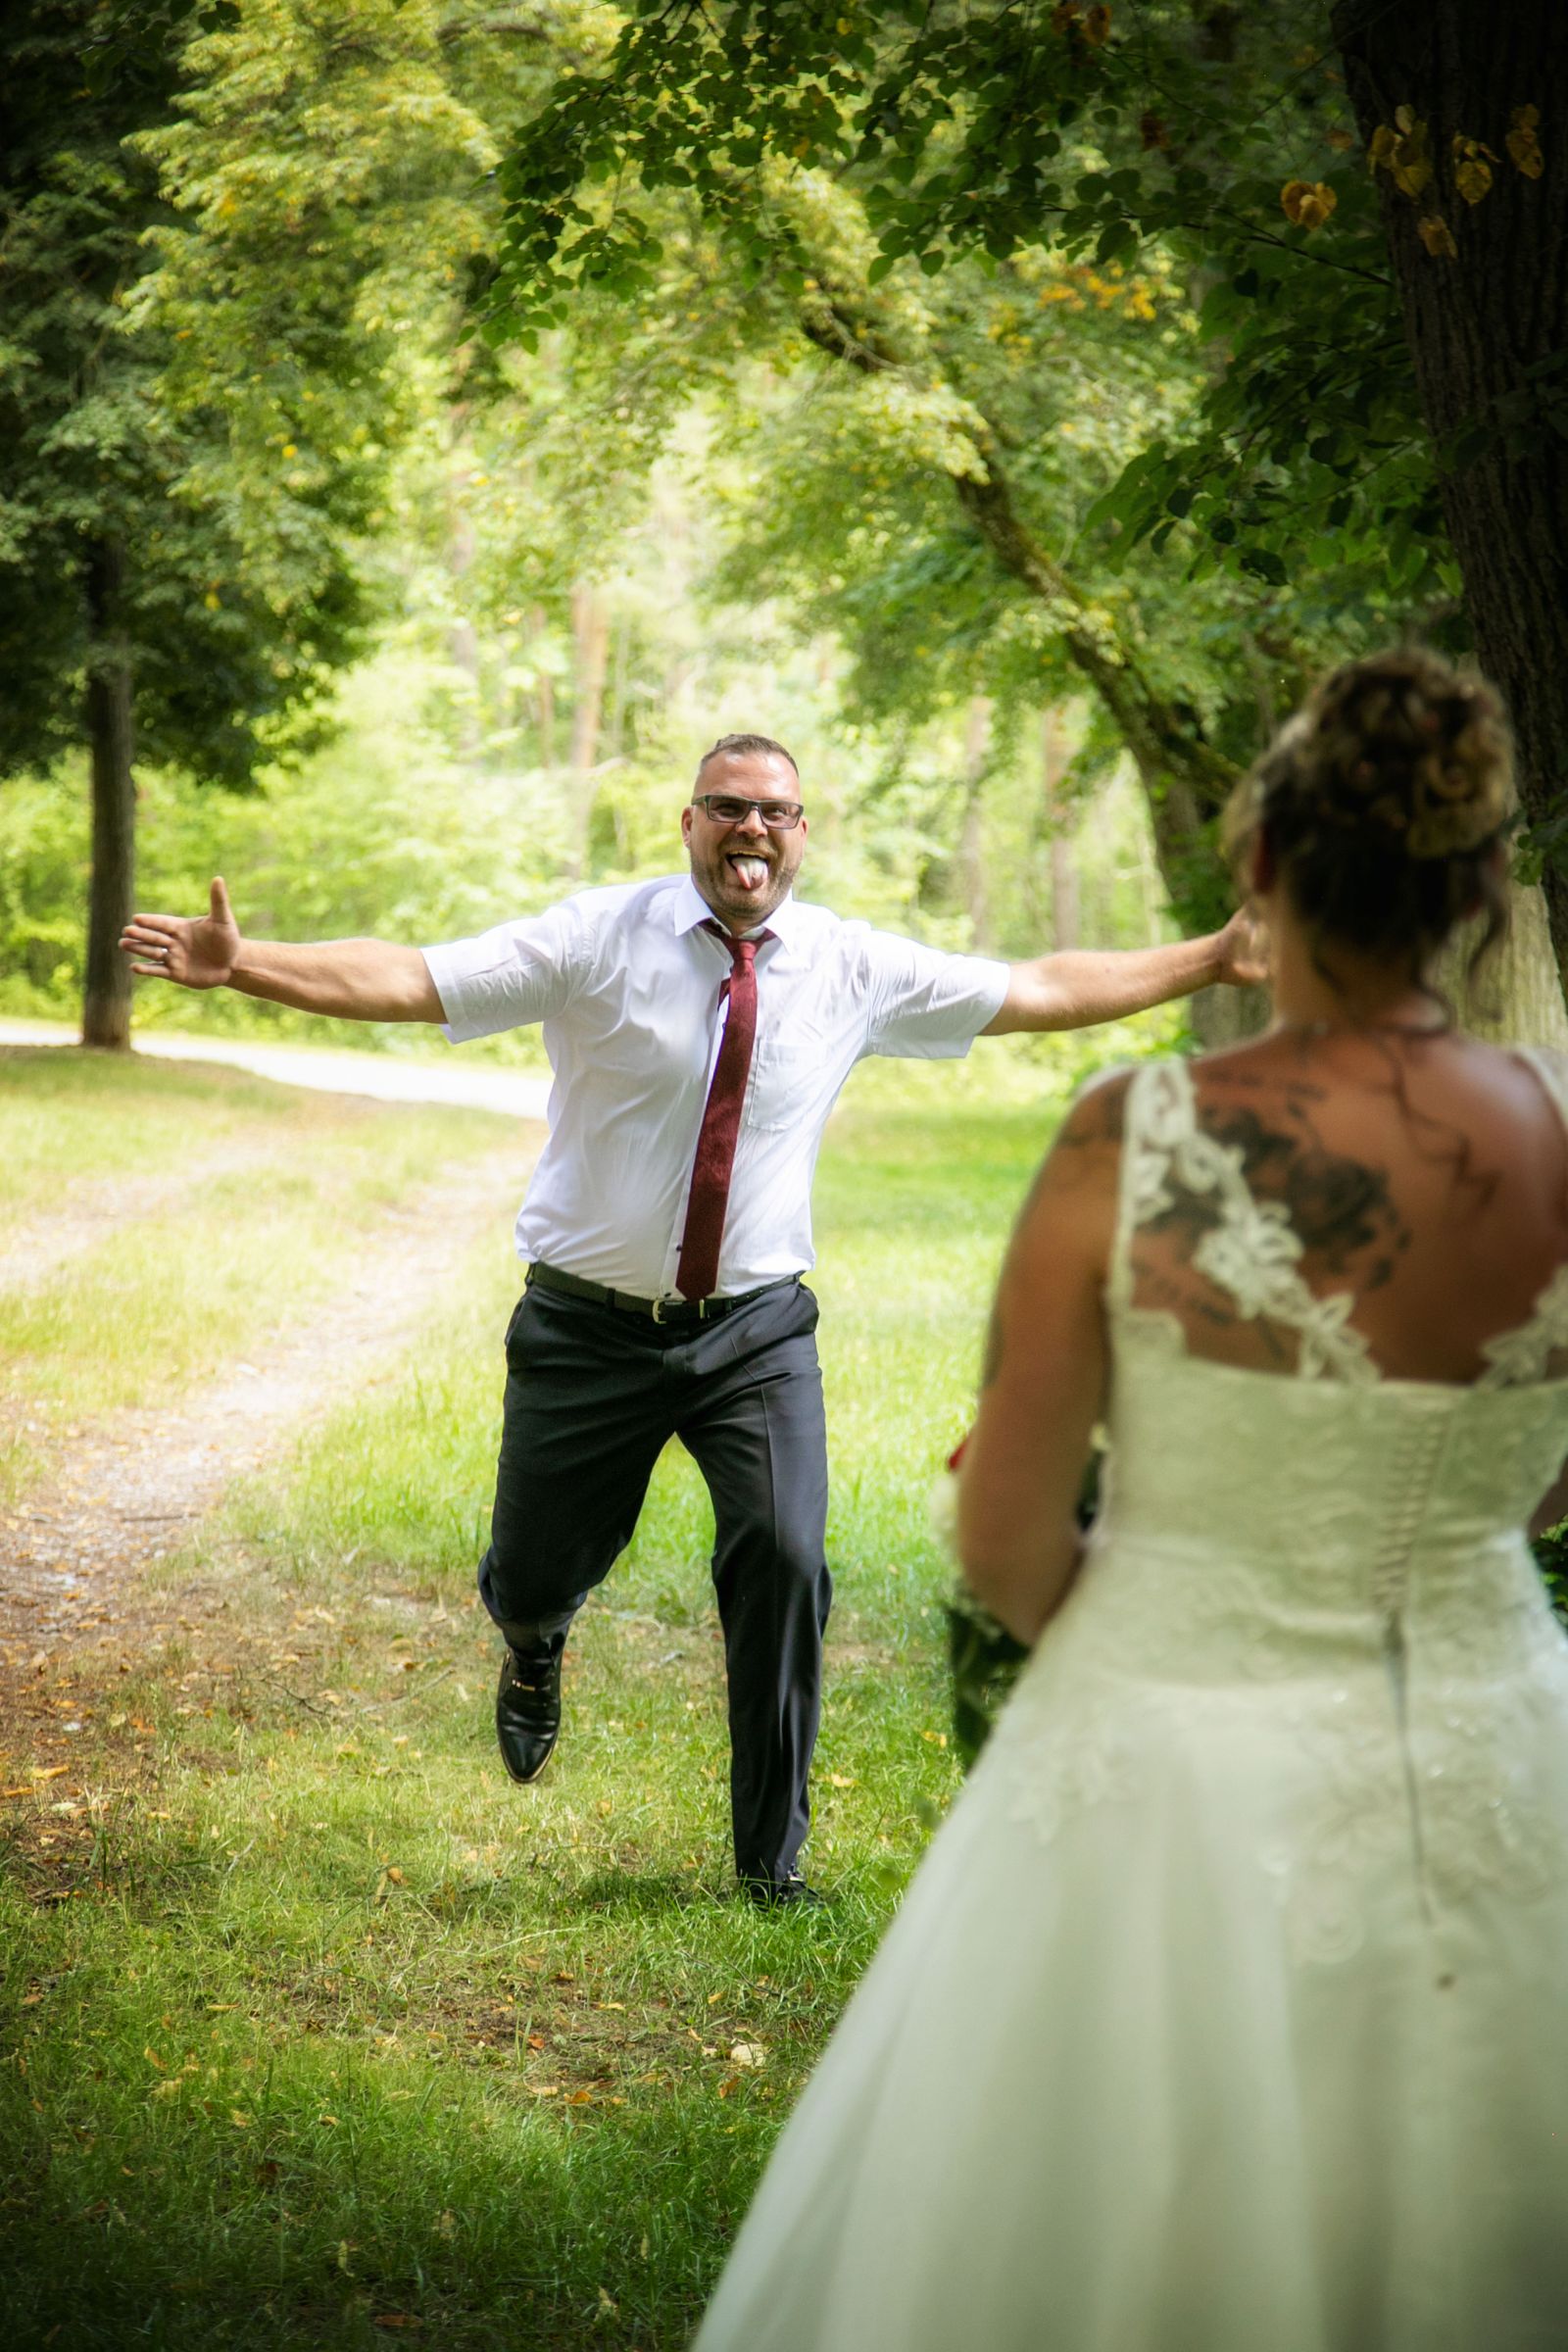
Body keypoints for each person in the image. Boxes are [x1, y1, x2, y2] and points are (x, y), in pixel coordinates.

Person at [692, 656, 1568, 2348]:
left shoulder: (1137, 1135)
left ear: (1256, 871)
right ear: (1476, 892)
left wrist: (1174, 1600)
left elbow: (1008, 1544)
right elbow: (1543, 1493)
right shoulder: (1557, 1135)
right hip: (1500, 1741)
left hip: (1175, 1762)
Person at [121, 731, 1264, 1906]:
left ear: (803, 833)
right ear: (689, 823)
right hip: (583, 1329)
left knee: (784, 1558)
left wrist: (1216, 957)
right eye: (727, 807)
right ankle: (533, 1639)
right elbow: (414, 979)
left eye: (775, 811)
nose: (751, 828)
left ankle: (770, 1863)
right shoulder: (594, 938)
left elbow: (1038, 988)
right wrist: (247, 963)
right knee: (530, 1570)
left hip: (755, 1332)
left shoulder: (846, 965)